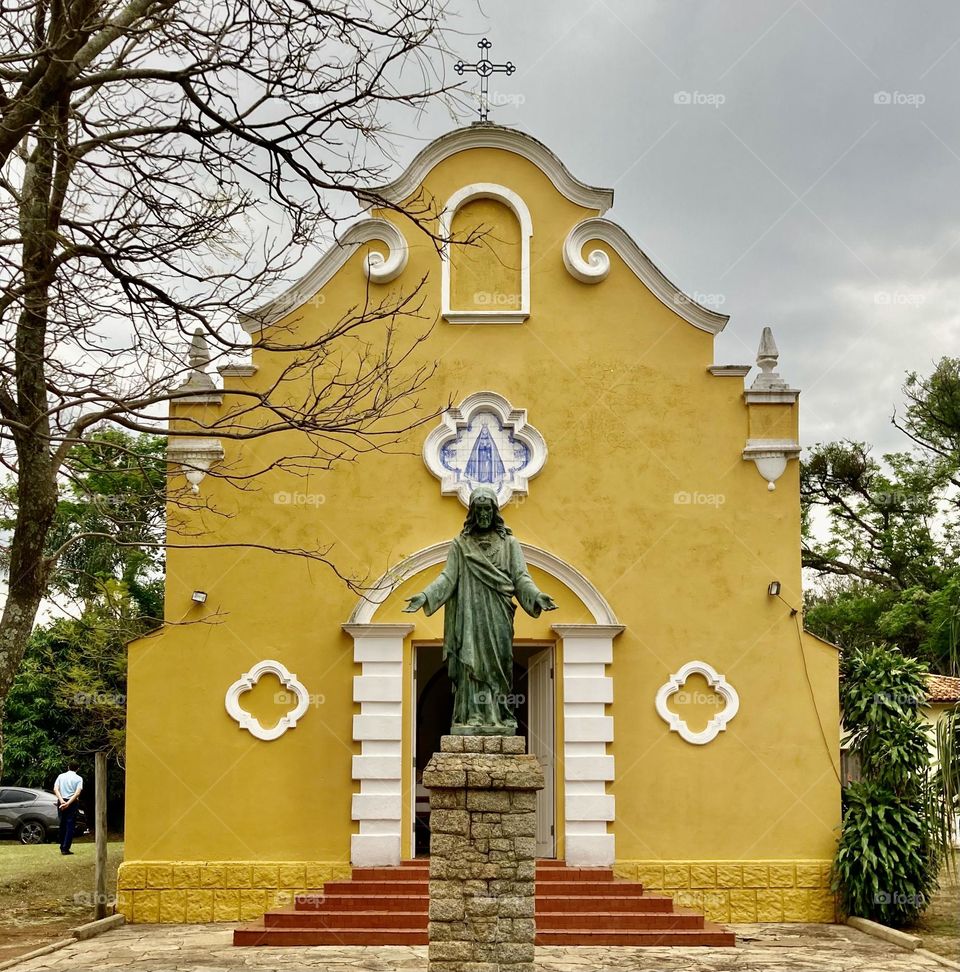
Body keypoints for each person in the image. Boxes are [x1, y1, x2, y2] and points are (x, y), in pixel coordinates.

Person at [403, 485, 557, 734]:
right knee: (470, 663)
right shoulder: (460, 545)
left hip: (498, 614)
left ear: (495, 512)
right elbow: (447, 578)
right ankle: (472, 715)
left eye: (488, 510)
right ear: (472, 513)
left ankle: (497, 715)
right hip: (469, 616)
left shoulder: (509, 544)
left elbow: (520, 577)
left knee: (500, 665)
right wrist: (425, 596)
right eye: (479, 510)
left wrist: (536, 596)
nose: (483, 515)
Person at [53, 762, 83, 855]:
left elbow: (55, 789)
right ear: (78, 769)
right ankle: (66, 848)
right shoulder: (79, 778)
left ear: (68, 767)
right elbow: (77, 793)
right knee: (70, 825)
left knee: (62, 823)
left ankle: (62, 846)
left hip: (61, 800)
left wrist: (62, 801)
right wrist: (68, 803)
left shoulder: (61, 776)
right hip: (72, 802)